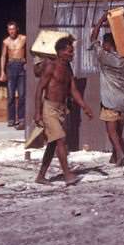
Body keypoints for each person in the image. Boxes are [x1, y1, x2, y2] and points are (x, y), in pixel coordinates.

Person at [35, 34, 93, 185]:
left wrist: (84, 106)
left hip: (61, 109)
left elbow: (73, 90)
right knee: (60, 139)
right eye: (69, 51)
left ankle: (41, 176)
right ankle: (68, 175)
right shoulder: (50, 66)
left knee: (53, 143)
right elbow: (39, 89)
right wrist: (37, 112)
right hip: (49, 109)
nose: (72, 54)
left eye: (72, 51)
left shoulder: (68, 68)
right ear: (60, 52)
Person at [90, 12, 124, 166]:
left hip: (111, 100)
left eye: (104, 42)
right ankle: (115, 155)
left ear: (108, 44)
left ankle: (120, 153)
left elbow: (92, 38)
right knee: (119, 130)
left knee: (111, 131)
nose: (102, 44)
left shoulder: (104, 57)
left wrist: (101, 20)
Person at [0, 21, 27, 128]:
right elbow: (3, 56)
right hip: (11, 66)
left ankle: (21, 118)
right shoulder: (6, 41)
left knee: (22, 95)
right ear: (8, 30)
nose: (11, 31)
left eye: (13, 29)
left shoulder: (24, 38)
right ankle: (11, 119)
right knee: (10, 96)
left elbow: (29, 51)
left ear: (17, 29)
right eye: (9, 29)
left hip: (21, 65)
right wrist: (2, 72)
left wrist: (27, 61)